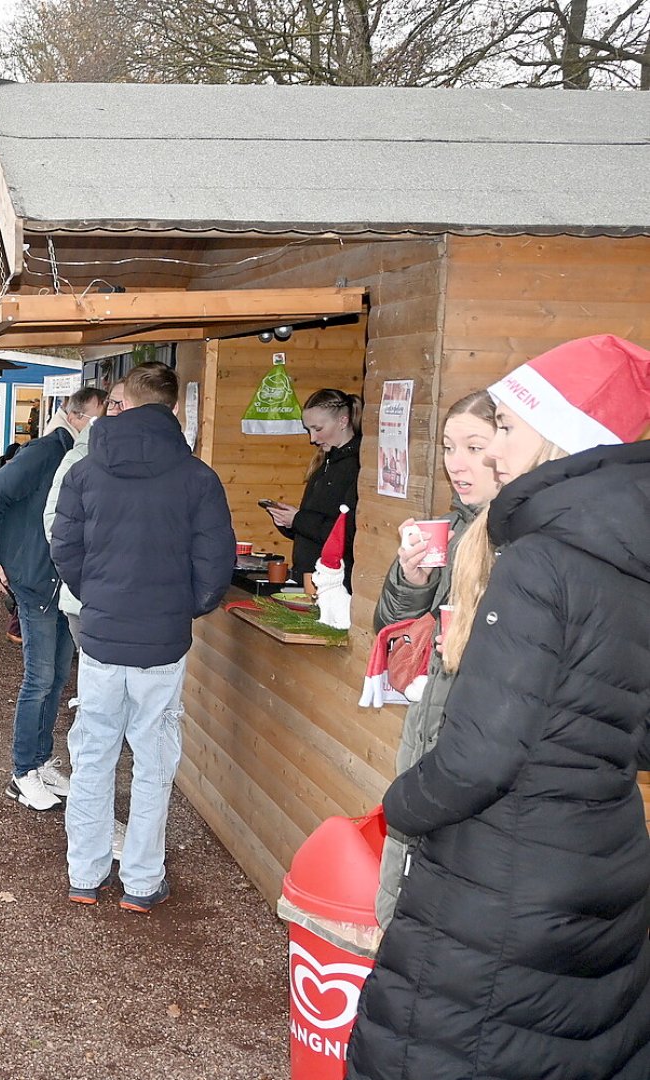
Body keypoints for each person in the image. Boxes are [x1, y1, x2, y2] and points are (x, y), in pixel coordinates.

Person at [346, 334, 650, 1080]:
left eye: (506, 429)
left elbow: (481, 756)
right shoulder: (628, 556)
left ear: (560, 434)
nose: (488, 454)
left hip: (499, 873)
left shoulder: (541, 555)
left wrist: (403, 804)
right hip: (600, 861)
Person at [50, 362, 234, 911]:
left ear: (119, 403)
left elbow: (65, 548)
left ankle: (84, 873)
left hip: (103, 637)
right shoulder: (198, 477)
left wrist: (99, 598)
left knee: (93, 752)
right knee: (154, 760)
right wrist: (184, 607)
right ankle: (141, 881)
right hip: (162, 641)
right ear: (174, 410)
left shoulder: (85, 471)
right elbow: (215, 563)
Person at [370, 390, 499, 928]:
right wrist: (412, 579)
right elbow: (388, 629)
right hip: (427, 740)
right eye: (449, 447)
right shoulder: (453, 529)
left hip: (476, 756)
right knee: (407, 907)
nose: (456, 463)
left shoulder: (528, 546)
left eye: (475, 446)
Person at [0, 386, 106, 812]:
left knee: (54, 678)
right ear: (78, 417)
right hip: (35, 580)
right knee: (40, 678)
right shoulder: (48, 451)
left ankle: (41, 760)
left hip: (61, 584)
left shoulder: (81, 457)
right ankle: (22, 772)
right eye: (104, 416)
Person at [43, 380, 124, 644]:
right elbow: (56, 528)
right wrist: (87, 583)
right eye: (113, 403)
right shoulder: (76, 458)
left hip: (143, 605)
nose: (117, 410)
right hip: (89, 598)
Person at [263, 387, 361, 589]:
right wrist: (288, 521)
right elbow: (313, 528)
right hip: (310, 578)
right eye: (309, 430)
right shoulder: (324, 464)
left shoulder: (356, 467)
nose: (312, 438)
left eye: (318, 429)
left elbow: (347, 533)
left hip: (334, 584)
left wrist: (298, 519)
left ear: (343, 421)